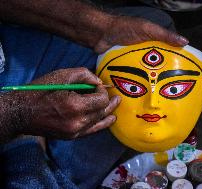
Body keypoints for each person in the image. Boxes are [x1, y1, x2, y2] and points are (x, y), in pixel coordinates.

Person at [0, 0, 189, 188]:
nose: (153, 102)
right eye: (132, 87)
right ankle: (33, 160)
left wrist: (102, 28)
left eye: (173, 89)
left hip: (11, 48)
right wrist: (16, 114)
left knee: (150, 35)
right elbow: (15, 113)